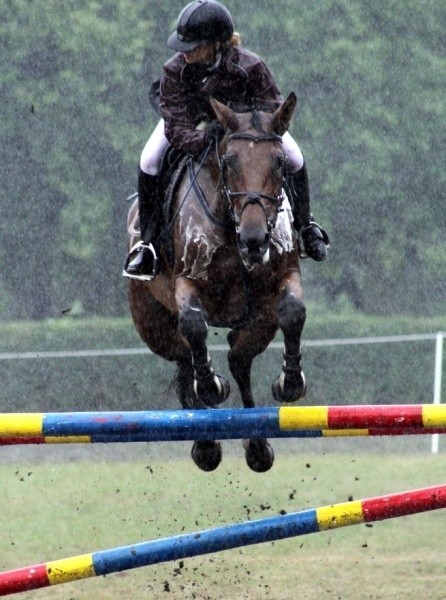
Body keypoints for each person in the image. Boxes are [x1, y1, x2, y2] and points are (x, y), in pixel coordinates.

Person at [123, 0, 329, 281]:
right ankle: (147, 245)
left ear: (216, 44)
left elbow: (273, 107)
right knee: (149, 159)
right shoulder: (174, 71)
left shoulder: (251, 66)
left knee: (294, 157)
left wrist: (250, 130)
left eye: (194, 46)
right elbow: (176, 125)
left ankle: (306, 226)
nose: (185, 53)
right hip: (190, 121)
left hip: (246, 128)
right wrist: (202, 138)